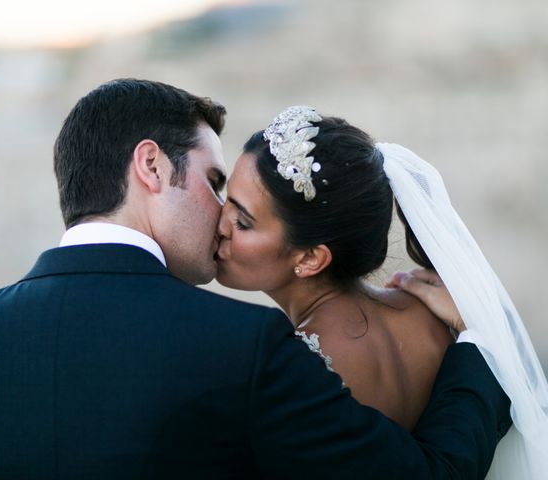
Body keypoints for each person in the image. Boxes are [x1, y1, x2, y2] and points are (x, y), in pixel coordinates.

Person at [0, 81, 511, 479]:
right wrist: (483, 346)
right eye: (214, 181)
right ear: (151, 166)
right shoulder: (244, 346)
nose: (220, 213)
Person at [215, 105, 548, 478]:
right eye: (224, 198)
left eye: (243, 221)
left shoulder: (301, 368)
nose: (220, 223)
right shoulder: (434, 317)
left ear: (310, 258)